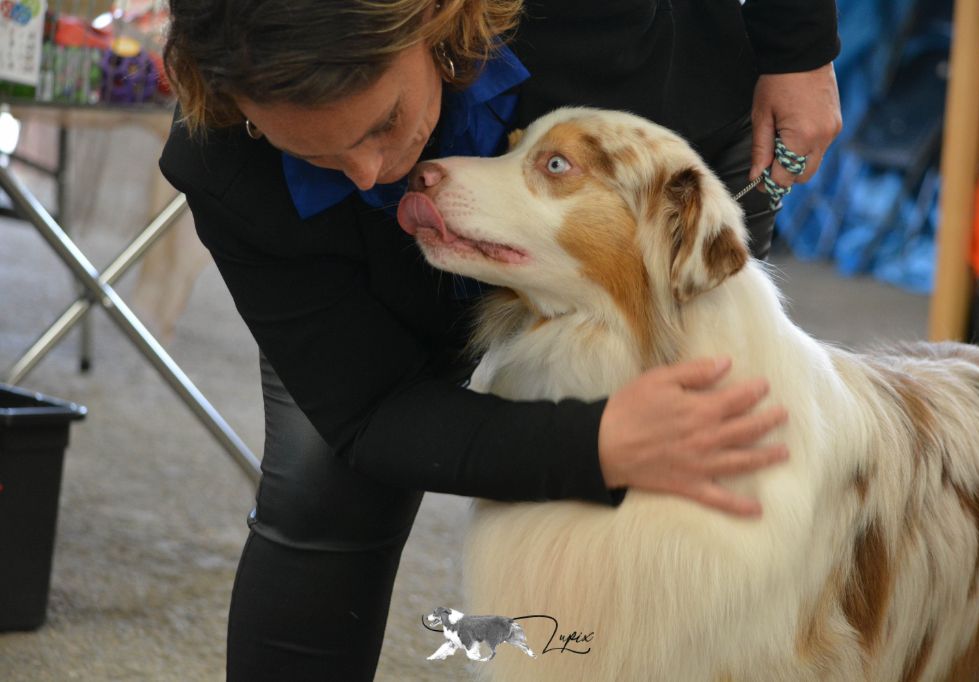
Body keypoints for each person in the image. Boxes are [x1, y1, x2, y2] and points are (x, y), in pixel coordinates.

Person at [160, 0, 842, 678]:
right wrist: (594, 443)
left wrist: (800, 50)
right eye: (312, 151)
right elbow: (368, 411)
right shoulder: (225, 163)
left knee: (705, 471)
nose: (372, 172)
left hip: (641, 97)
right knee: (323, 494)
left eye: (384, 123)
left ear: (433, 18)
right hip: (360, 266)